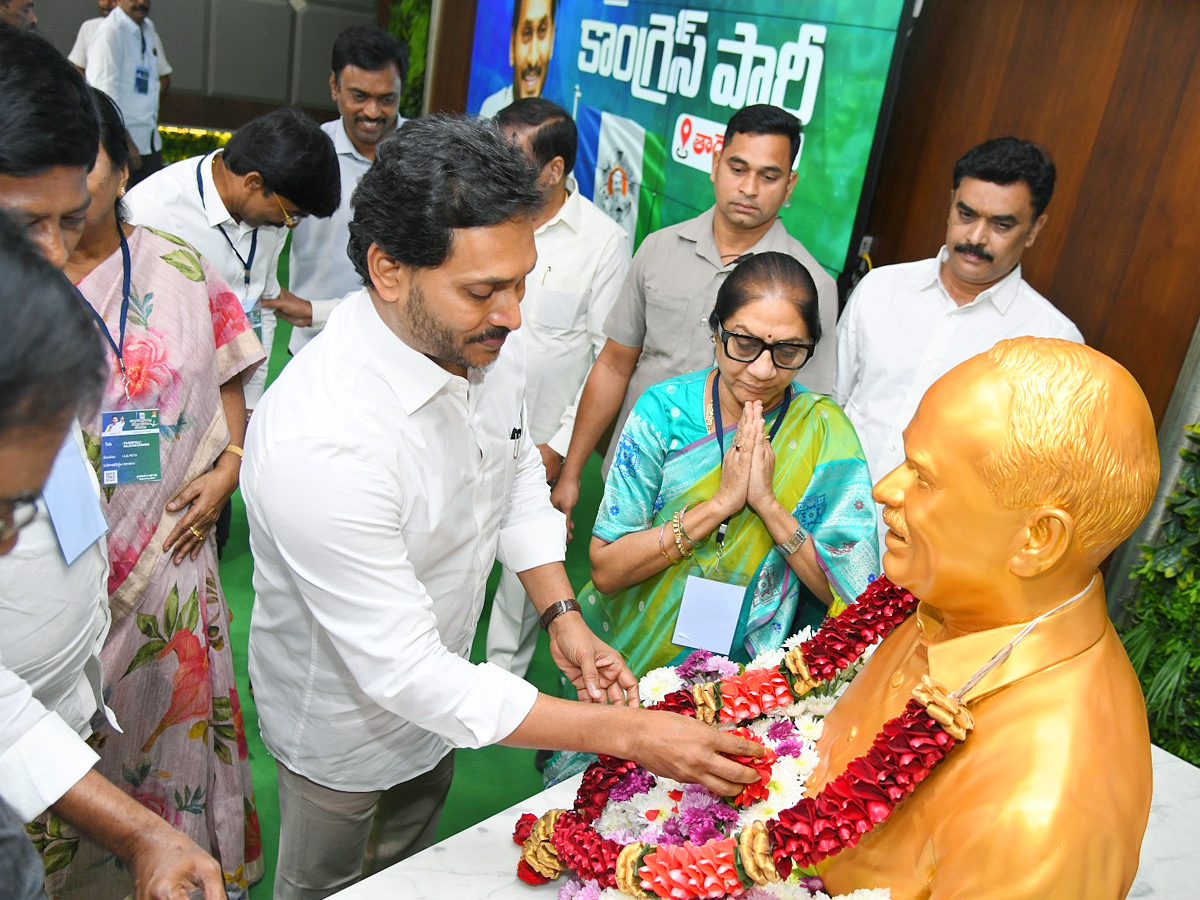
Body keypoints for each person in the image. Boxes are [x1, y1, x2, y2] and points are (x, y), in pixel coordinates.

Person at [242, 114, 765, 900]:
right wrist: (625, 732)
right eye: (485, 289)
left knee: (408, 872)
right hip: (342, 731)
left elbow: (515, 467)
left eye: (522, 281)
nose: (514, 314)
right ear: (388, 270)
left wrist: (560, 614)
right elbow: (405, 671)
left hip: (450, 701)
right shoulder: (322, 439)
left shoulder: (480, 336)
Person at [812, 337, 1158, 898]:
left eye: (924, 478)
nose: (884, 489)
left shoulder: (1042, 807)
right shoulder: (947, 599)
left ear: (1037, 539)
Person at [30, 87, 266, 900]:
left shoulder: (178, 262)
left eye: (81, 169)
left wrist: (229, 463)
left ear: (122, 163)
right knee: (44, 738)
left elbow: (233, 371)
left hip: (172, 550)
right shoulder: (19, 273)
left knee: (165, 744)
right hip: (50, 559)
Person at [575, 252, 878, 681]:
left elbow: (857, 599)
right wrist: (718, 507)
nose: (762, 369)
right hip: (626, 660)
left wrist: (769, 507)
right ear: (715, 332)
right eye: (744, 343)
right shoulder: (663, 412)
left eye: (788, 350)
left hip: (746, 682)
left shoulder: (826, 432)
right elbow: (606, 570)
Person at [552, 104, 839, 534]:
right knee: (613, 587)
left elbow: (807, 414)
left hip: (733, 510)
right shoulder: (658, 248)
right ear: (715, 164)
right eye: (738, 168)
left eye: (769, 175)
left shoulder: (810, 285)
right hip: (634, 478)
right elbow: (614, 364)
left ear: (790, 184)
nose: (749, 188)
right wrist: (571, 472)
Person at [833, 137, 1083, 505]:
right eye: (966, 215)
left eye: (1001, 224)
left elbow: (1033, 479)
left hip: (933, 552)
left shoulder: (1054, 342)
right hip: (826, 524)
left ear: (1034, 229)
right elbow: (831, 404)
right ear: (951, 204)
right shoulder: (880, 289)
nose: (976, 237)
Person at [485, 97, 632, 678]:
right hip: (471, 415)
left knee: (527, 565)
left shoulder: (602, 242)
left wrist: (562, 450)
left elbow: (606, 358)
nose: (496, 164)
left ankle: (502, 678)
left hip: (544, 438)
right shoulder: (482, 213)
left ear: (554, 168)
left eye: (512, 155)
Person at [125, 107, 340, 408]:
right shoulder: (153, 212)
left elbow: (261, 311)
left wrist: (251, 405)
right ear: (253, 183)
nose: (289, 224)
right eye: (291, 214)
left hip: (232, 401)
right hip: (161, 402)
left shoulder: (270, 215)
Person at [271, 25, 408, 355]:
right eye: (359, 96)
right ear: (334, 87)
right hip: (313, 344)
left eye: (386, 99)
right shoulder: (306, 155)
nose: (373, 113)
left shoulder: (427, 155)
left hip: (399, 345)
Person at [84, 0, 169, 187]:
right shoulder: (110, 31)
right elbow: (102, 96)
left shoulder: (147, 28)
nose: (141, 3)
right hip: (125, 147)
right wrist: (124, 141)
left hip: (149, 142)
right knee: (125, 212)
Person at [70, 0, 173, 101]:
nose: (141, 2)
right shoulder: (110, 31)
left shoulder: (148, 30)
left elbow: (163, 76)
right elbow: (103, 91)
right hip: (118, 115)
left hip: (142, 116)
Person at [478, 0, 556, 117]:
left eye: (542, 31)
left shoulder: (552, 124)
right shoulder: (491, 111)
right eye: (526, 33)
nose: (533, 59)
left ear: (551, 42)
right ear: (513, 45)